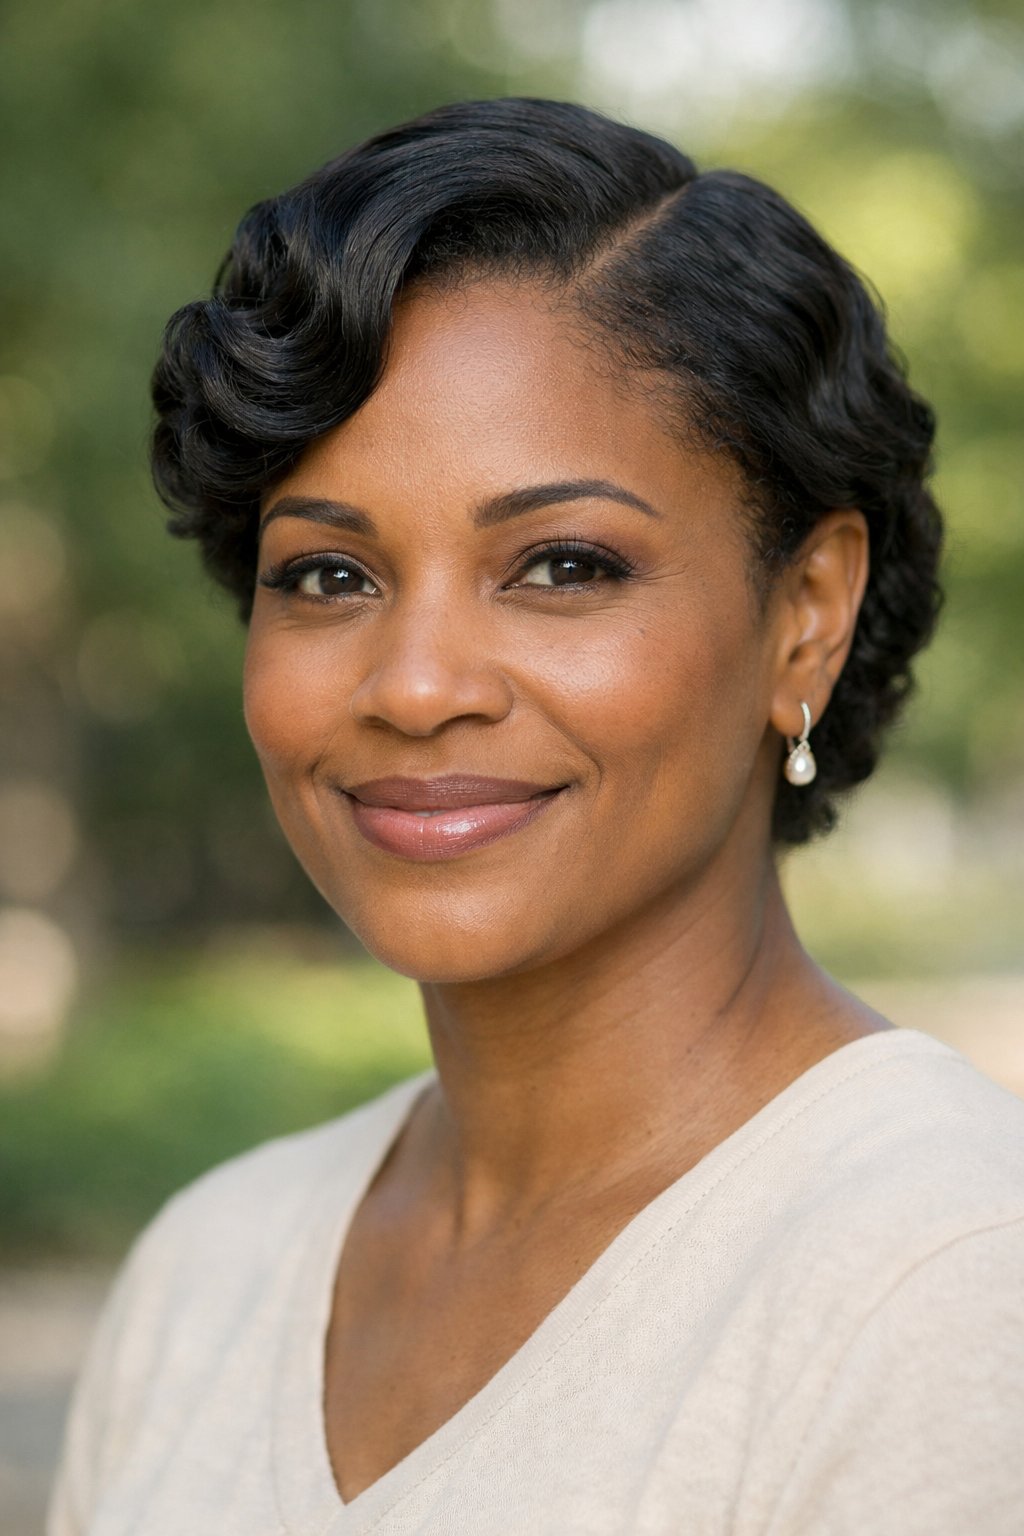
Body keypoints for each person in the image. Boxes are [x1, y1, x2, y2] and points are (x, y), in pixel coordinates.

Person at [49, 98, 1024, 1535]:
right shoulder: (212, 1268)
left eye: (561, 565)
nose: (417, 684)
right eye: (328, 576)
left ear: (804, 618)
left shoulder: (942, 1281)